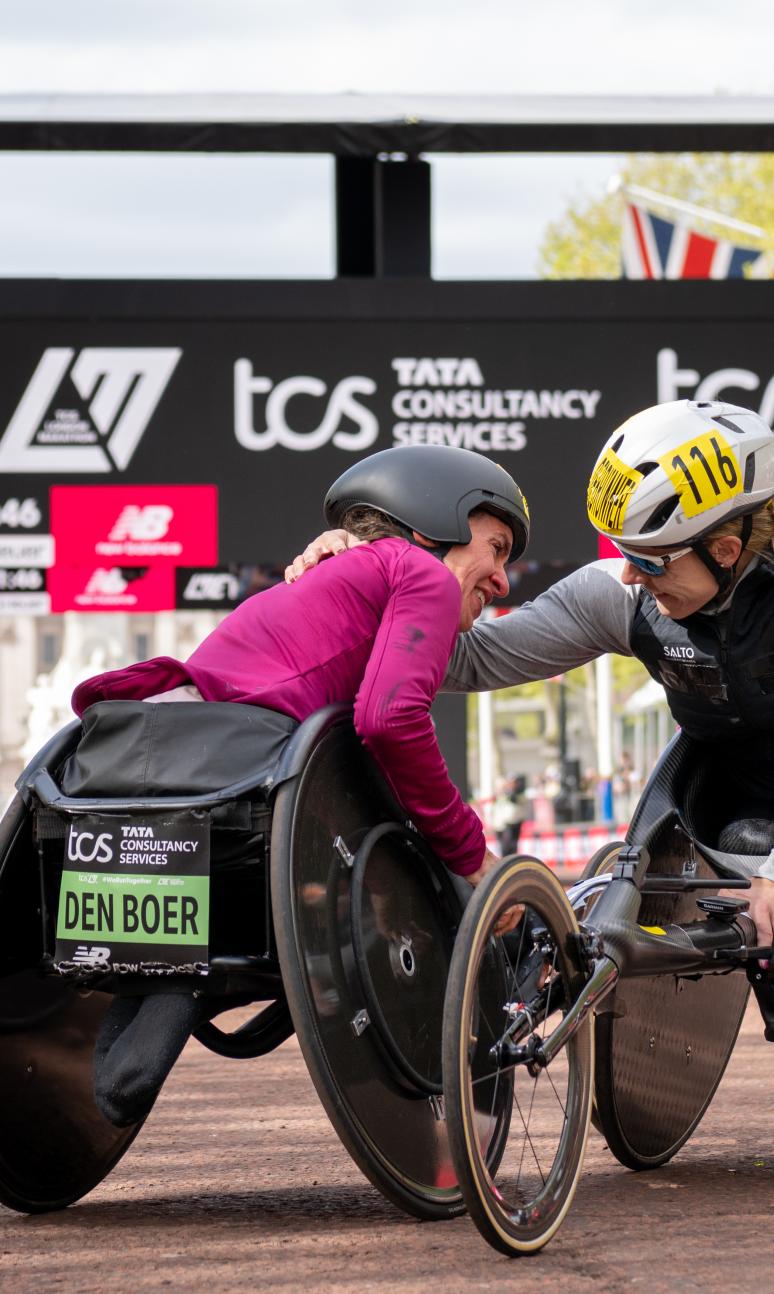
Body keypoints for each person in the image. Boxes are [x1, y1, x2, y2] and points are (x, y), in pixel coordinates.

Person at [68, 444, 530, 1125]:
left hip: (143, 755)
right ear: (437, 527)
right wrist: (471, 853)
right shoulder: (421, 575)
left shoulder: (344, 573)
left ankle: (167, 981)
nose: (503, 580)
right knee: (444, 860)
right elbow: (391, 720)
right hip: (230, 773)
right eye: (496, 549)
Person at [288, 399, 774, 960]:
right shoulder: (620, 598)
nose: (630, 574)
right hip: (725, 805)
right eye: (623, 551)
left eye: (653, 559)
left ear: (724, 550)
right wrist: (362, 575)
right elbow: (467, 657)